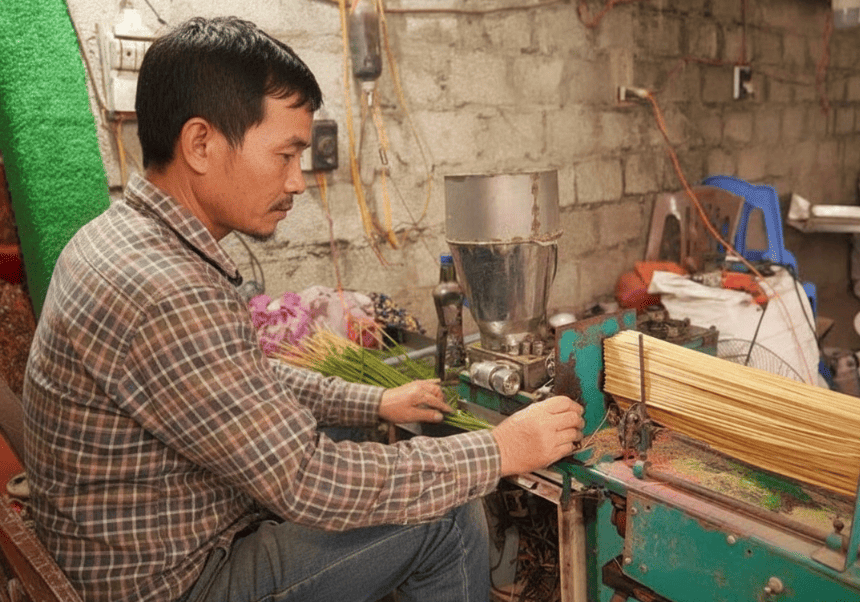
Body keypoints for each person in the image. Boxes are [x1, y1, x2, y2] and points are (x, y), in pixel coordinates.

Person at [22, 16, 584, 602]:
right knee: (447, 516)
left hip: (146, 543)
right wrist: (500, 449)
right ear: (200, 144)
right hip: (175, 583)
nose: (298, 182)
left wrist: (377, 400)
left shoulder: (126, 236)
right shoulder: (166, 287)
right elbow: (307, 481)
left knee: (357, 436)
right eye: (286, 155)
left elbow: (248, 375)